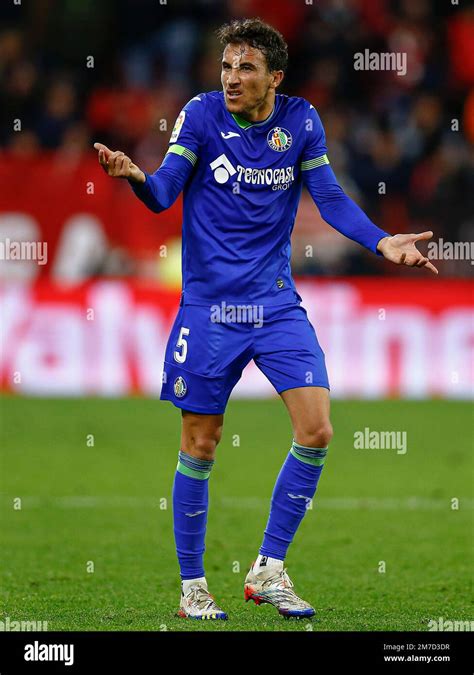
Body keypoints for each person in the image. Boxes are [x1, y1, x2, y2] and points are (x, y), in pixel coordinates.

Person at [94, 18, 437, 621]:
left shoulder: (302, 121)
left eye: (246, 68)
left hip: (276, 304)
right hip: (210, 309)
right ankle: (193, 585)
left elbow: (328, 198)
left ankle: (268, 569)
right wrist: (135, 179)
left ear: (274, 77)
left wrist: (382, 242)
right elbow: (166, 191)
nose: (231, 78)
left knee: (317, 428)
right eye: (227, 66)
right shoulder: (200, 116)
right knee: (201, 442)